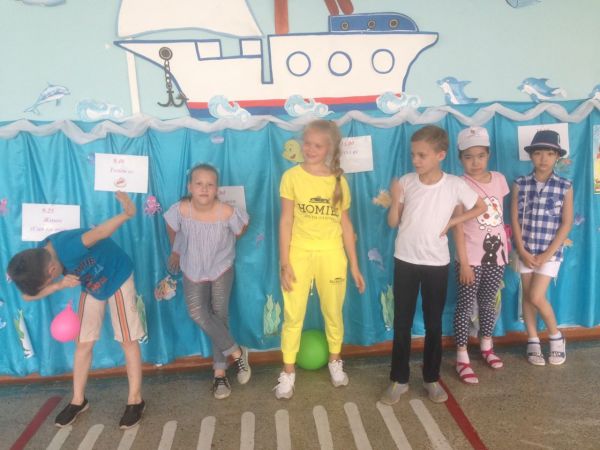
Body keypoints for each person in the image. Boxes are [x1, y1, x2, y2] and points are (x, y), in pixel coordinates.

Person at [7, 192, 146, 429]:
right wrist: (58, 285)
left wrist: (127, 214)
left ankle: (136, 400)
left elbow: (100, 233)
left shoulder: (68, 246)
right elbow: (26, 296)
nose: (50, 283)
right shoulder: (39, 257)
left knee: (127, 339)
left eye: (50, 281)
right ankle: (78, 400)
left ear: (52, 270)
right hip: (91, 283)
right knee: (83, 342)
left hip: (117, 275)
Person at [380, 125, 486, 405]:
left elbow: (482, 207)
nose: (415, 160)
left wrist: (453, 221)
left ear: (440, 155)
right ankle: (398, 379)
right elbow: (393, 222)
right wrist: (394, 198)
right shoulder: (407, 182)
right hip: (405, 260)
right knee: (402, 323)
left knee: (433, 324)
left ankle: (431, 378)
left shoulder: (454, 185)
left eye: (422, 155)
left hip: (436, 264)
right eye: (413, 154)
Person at [275, 119, 366, 400]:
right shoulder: (291, 177)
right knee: (293, 314)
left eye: (317, 145)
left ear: (329, 149)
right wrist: (284, 262)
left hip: (331, 254)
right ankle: (288, 372)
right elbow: (286, 221)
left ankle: (335, 361)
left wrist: (354, 265)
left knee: (333, 311)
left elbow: (346, 225)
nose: (310, 149)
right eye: (307, 143)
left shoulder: (339, 181)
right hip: (299, 254)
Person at [164, 163, 251, 399]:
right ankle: (237, 352)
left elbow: (241, 228)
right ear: (190, 187)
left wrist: (228, 241)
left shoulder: (225, 212)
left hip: (221, 268)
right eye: (199, 184)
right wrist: (176, 250)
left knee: (219, 316)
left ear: (217, 189)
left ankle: (219, 374)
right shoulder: (182, 209)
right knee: (197, 312)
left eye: (210, 184)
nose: (204, 188)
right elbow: (171, 226)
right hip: (193, 268)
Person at [452, 127, 510, 384]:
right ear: (460, 158)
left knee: (487, 303)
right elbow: (457, 226)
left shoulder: (499, 179)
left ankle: (487, 346)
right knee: (465, 306)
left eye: (480, 156)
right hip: (470, 258)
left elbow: (499, 218)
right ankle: (461, 356)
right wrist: (464, 262)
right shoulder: (459, 184)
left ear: (488, 155)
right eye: (468, 157)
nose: (475, 162)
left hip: (496, 256)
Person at [510, 129, 573, 366]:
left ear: (557, 156)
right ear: (531, 156)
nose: (543, 158)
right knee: (528, 297)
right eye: (538, 153)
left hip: (550, 252)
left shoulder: (564, 186)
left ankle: (556, 336)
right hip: (525, 250)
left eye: (549, 153)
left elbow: (566, 223)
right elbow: (514, 219)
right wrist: (522, 250)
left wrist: (547, 254)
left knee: (536, 295)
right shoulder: (520, 184)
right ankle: (533, 340)